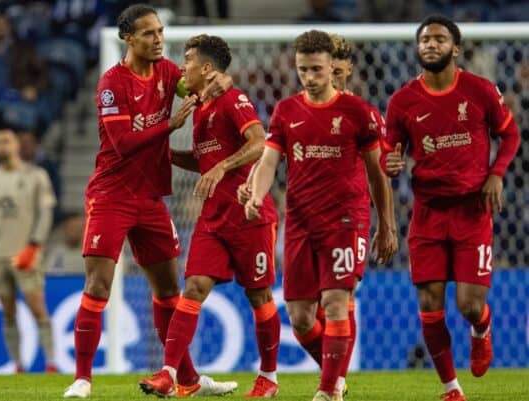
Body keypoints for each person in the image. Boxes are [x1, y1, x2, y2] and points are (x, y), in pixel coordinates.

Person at [63, 4, 235, 398]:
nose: (158, 39)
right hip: (110, 195)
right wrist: (169, 125)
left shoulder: (168, 73)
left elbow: (194, 86)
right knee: (99, 285)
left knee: (167, 290)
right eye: (148, 34)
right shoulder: (112, 83)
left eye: (159, 32)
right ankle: (82, 379)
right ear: (128, 39)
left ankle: (188, 380)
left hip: (151, 198)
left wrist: (219, 83)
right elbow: (122, 144)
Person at [245, 30, 397, 401]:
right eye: (303, 70)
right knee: (300, 320)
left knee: (335, 301)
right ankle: (339, 377)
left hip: (345, 218)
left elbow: (377, 173)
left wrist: (386, 225)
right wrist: (257, 194)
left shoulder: (357, 112)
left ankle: (328, 391)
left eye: (316, 69)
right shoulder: (286, 111)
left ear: (333, 68)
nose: (309, 77)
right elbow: (268, 160)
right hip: (299, 221)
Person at [381, 15, 520, 401]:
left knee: (470, 306)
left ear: (455, 48)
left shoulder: (478, 91)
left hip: (472, 212)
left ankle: (482, 329)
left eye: (439, 39)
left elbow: (509, 134)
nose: (430, 44)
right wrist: (388, 164)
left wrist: (496, 173)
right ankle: (451, 388)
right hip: (427, 214)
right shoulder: (402, 101)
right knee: (429, 303)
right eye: (425, 39)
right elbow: (388, 152)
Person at [139, 34, 280, 398]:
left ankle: (268, 378)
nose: (182, 66)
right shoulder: (200, 106)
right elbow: (203, 160)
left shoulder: (234, 99)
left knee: (259, 296)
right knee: (194, 289)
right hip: (213, 218)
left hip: (250, 215)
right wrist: (164, 152)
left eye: (187, 60)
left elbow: (259, 142)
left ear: (205, 68)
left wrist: (222, 169)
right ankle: (170, 374)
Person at [0, 128, 57, 373]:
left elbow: (45, 213)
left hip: (25, 253)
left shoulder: (36, 175)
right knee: (8, 312)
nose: (1, 146)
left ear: (16, 145)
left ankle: (51, 362)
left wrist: (34, 246)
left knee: (37, 308)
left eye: (6, 141)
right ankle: (18, 365)